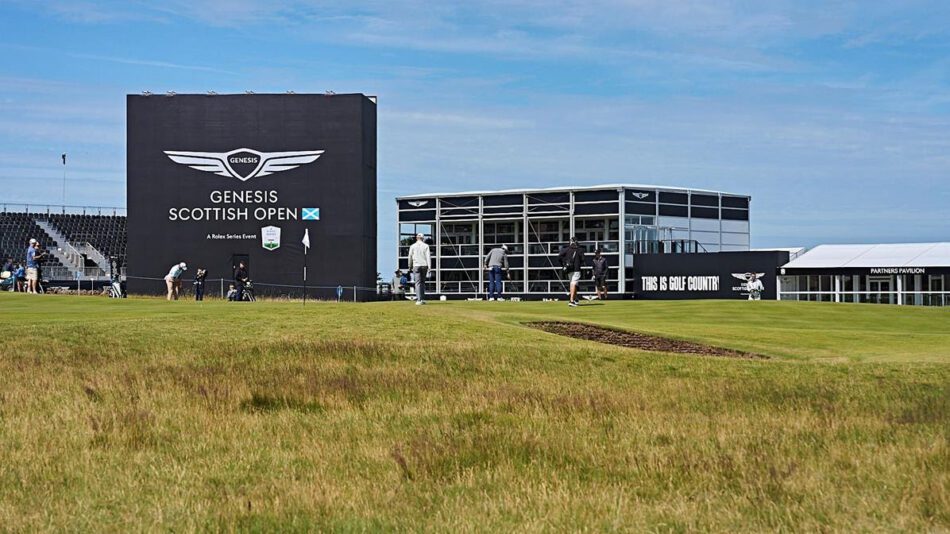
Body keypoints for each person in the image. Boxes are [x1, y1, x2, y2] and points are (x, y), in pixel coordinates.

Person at [558, 236, 585, 308]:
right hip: (576, 269)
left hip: (569, 269)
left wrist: (563, 265)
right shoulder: (579, 250)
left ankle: (575, 299)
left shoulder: (566, 249)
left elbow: (559, 257)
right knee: (573, 283)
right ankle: (571, 300)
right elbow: (583, 260)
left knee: (573, 283)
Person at [407, 233, 431, 305]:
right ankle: (422, 299)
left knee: (417, 283)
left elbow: (410, 256)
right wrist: (429, 267)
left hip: (416, 265)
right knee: (422, 283)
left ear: (417, 238)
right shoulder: (426, 246)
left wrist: (409, 266)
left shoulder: (412, 246)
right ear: (423, 238)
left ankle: (419, 299)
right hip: (424, 265)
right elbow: (428, 256)